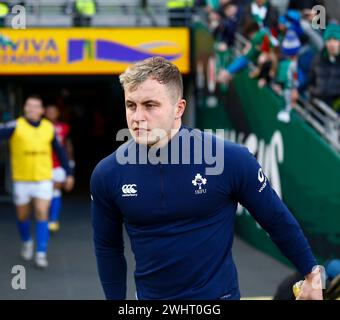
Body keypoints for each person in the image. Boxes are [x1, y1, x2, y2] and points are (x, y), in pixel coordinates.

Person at [90, 56, 323, 300]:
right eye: (131, 105)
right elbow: (108, 247)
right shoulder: (108, 174)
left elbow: (275, 219)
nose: (137, 117)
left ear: (179, 108)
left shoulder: (230, 160)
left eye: (150, 105)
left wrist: (310, 273)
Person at [0, 95, 74, 268]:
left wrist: (69, 173)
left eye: (36, 106)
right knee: (22, 216)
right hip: (22, 179)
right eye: (29, 106)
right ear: (25, 108)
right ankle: (26, 241)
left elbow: (60, 151)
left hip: (43, 178)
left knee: (42, 212)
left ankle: (41, 253)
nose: (32, 109)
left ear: (42, 111)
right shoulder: (16, 125)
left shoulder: (49, 128)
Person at [45, 104, 75, 232]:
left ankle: (53, 219)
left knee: (56, 190)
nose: (51, 113)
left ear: (58, 113)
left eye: (54, 111)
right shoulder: (41, 127)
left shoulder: (64, 127)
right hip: (42, 164)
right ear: (44, 113)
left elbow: (68, 146)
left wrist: (71, 165)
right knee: (46, 192)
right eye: (49, 111)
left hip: (58, 164)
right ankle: (45, 217)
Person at [309, 24, 340, 112]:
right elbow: (310, 78)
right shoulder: (318, 58)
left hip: (333, 112)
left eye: (335, 39)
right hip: (314, 104)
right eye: (328, 40)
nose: (332, 44)